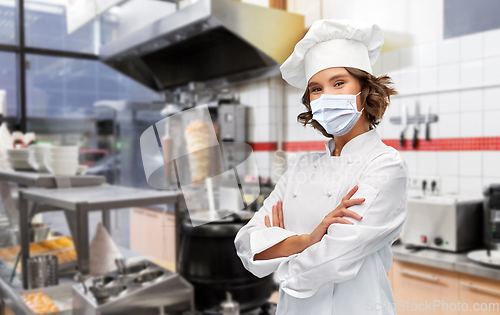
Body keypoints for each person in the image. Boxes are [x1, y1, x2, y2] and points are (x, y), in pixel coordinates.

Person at [234, 19, 409, 314]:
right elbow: (247, 243)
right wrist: (308, 238)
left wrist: (281, 250)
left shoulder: (385, 166)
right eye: (315, 89)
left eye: (339, 83)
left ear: (365, 90)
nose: (325, 96)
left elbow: (335, 258)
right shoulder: (303, 167)